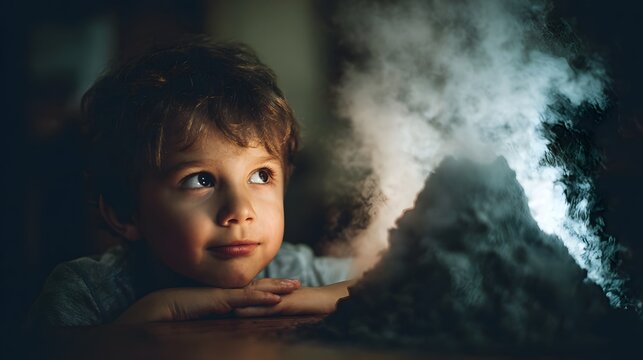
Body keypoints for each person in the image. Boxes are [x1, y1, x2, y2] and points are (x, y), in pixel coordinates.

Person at [28, 38, 354, 327]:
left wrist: (330, 297)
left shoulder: (293, 271)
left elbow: (398, 285)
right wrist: (161, 310)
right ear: (124, 212)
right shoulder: (85, 294)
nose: (240, 211)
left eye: (261, 176)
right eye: (201, 180)